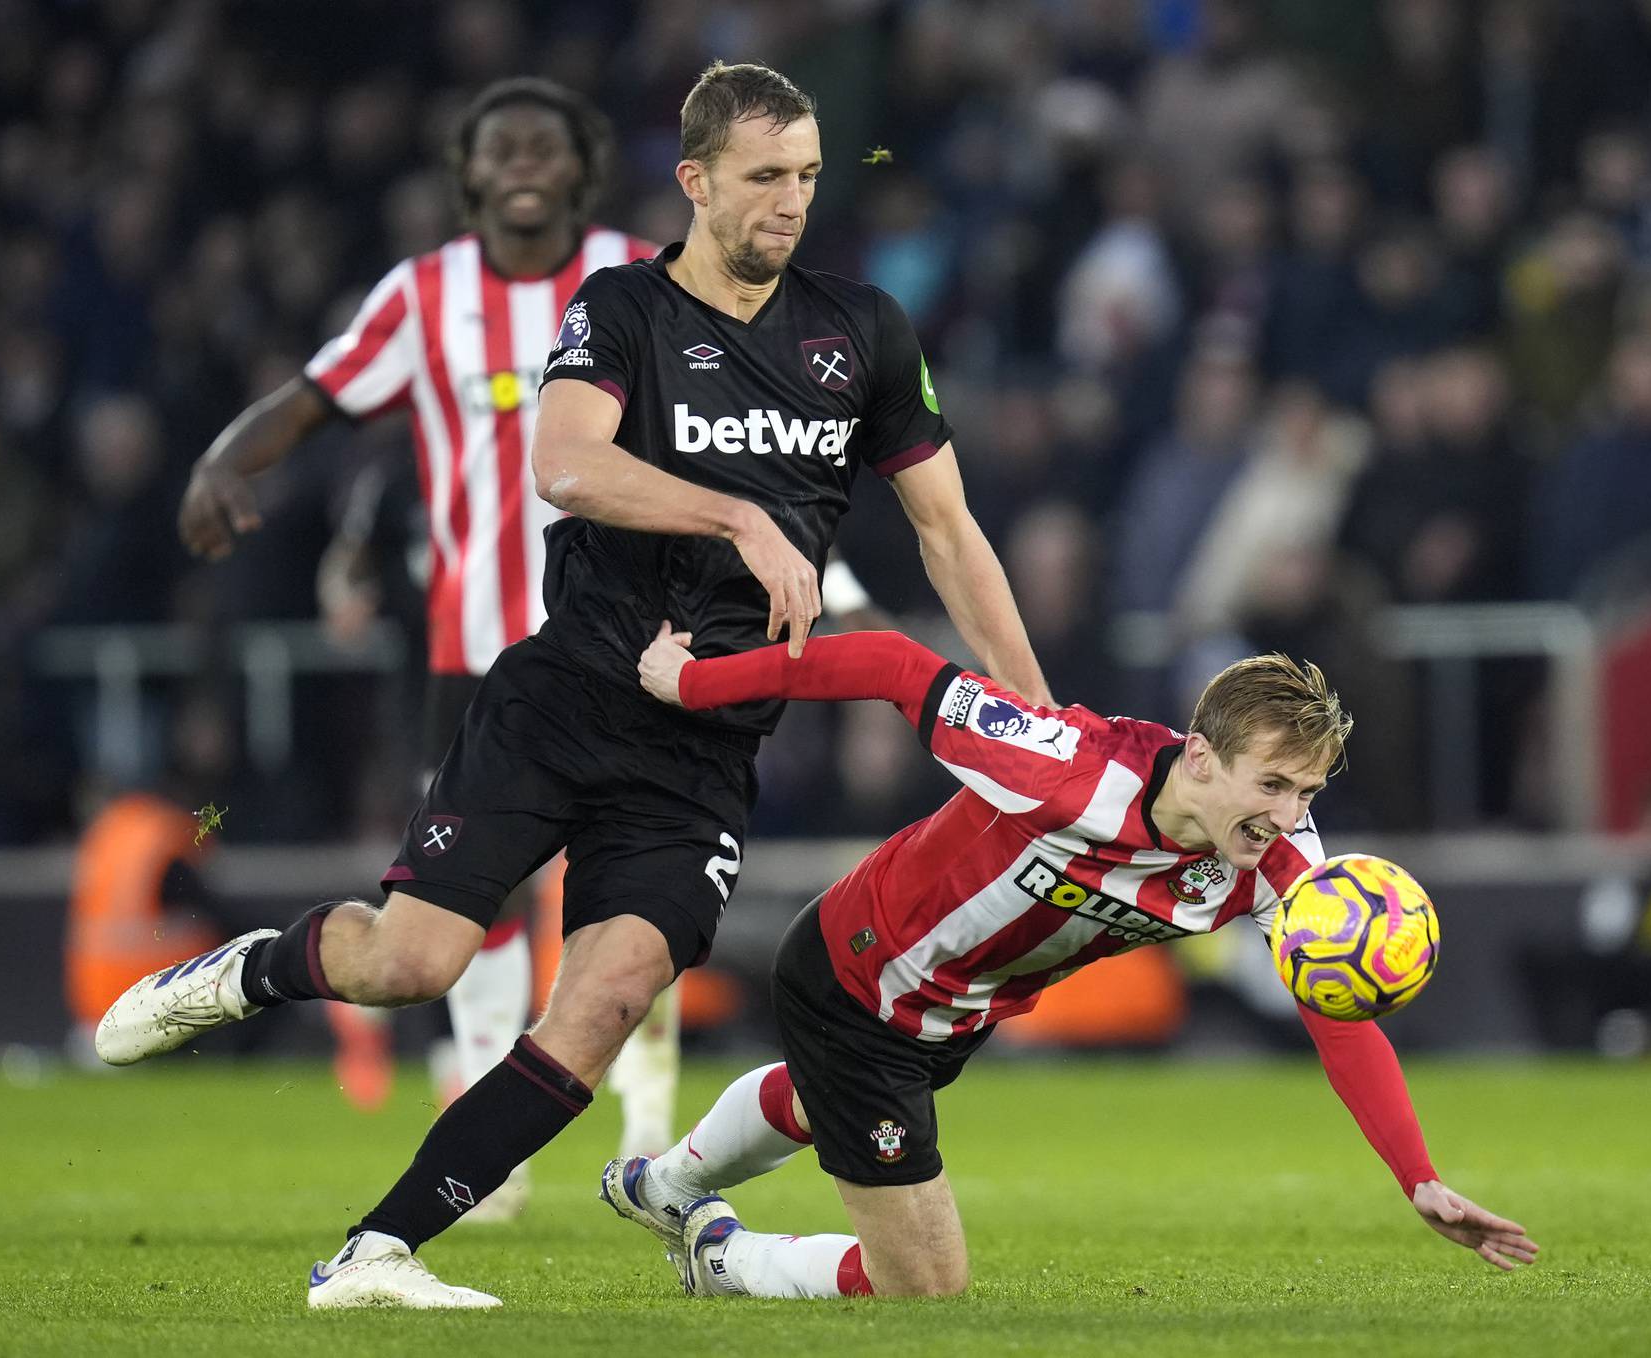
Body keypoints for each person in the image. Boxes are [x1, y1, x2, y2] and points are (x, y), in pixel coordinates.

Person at [98, 60, 1050, 1309]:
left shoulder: (861, 330)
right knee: (414, 962)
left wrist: (1033, 712)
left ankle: (373, 1254)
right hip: (565, 696)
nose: (792, 202)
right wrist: (746, 521)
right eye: (766, 177)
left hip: (705, 743)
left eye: (810, 176)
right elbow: (564, 464)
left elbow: (949, 529)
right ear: (695, 180)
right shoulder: (622, 309)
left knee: (599, 1009)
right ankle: (242, 972)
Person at [598, 625, 1539, 1298]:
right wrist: (698, 685)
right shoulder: (1070, 766)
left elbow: (1335, 1012)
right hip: (862, 971)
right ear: (1202, 759)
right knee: (924, 1285)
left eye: (1307, 792)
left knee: (822, 1105)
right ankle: (718, 1258)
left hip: (961, 1008)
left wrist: (1417, 1177)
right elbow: (889, 662)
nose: (1291, 817)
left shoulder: (1283, 863)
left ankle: (664, 1184)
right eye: (1274, 786)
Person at [172, 77, 669, 1216]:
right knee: (471, 896)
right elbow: (315, 396)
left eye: (548, 143)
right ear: (472, 174)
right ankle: (491, 1126)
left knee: (634, 869)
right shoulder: (423, 293)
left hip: (631, 631)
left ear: (582, 164)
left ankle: (647, 1114)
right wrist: (222, 460)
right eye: (504, 148)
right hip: (473, 648)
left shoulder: (641, 274)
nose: (526, 162)